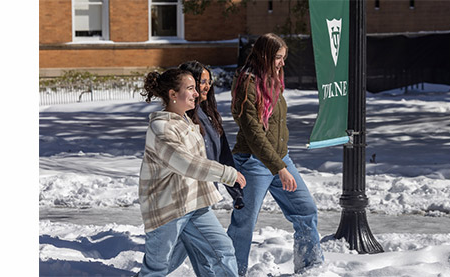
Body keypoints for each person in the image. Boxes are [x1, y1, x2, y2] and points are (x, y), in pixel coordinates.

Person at [227, 33, 324, 275]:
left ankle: (310, 268)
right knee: (244, 224)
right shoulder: (247, 83)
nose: (282, 63)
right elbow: (254, 133)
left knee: (306, 210)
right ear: (265, 56)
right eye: (278, 58)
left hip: (280, 158)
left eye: (283, 58)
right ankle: (230, 272)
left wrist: (281, 163)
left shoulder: (271, 81)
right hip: (252, 162)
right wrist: (279, 168)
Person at [137, 68, 246, 277]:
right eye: (190, 88)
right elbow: (186, 163)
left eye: (195, 88)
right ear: (172, 94)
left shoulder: (186, 121)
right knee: (157, 269)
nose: (196, 93)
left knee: (222, 250)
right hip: (167, 209)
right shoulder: (161, 128)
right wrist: (227, 173)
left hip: (194, 203)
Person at [180, 60, 245, 210]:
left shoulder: (208, 116)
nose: (207, 86)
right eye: (202, 82)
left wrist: (236, 191)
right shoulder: (180, 118)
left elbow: (223, 155)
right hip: (185, 197)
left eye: (209, 82)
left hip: (206, 194)